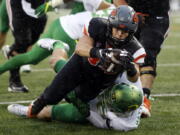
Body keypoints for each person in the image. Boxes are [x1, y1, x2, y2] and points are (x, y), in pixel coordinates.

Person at [23, 5, 146, 119]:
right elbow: (80, 48)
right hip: (80, 65)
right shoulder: (97, 25)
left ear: (131, 32)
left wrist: (130, 67)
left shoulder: (135, 49)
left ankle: (64, 102)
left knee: (81, 104)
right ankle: (35, 108)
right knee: (52, 95)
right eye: (117, 28)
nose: (119, 34)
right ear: (110, 24)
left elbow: (134, 79)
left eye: (124, 31)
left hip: (100, 80)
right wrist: (101, 53)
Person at [113, 0, 170, 117]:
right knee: (120, 52)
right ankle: (113, 93)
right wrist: (131, 13)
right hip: (129, 16)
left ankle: (144, 99)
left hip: (156, 17)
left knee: (147, 53)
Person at [8, 83, 143, 132]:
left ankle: (27, 111)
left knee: (47, 113)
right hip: (97, 89)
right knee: (65, 69)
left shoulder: (122, 124)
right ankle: (57, 46)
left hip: (95, 111)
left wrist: (82, 107)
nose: (108, 98)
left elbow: (98, 122)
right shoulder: (133, 88)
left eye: (111, 100)